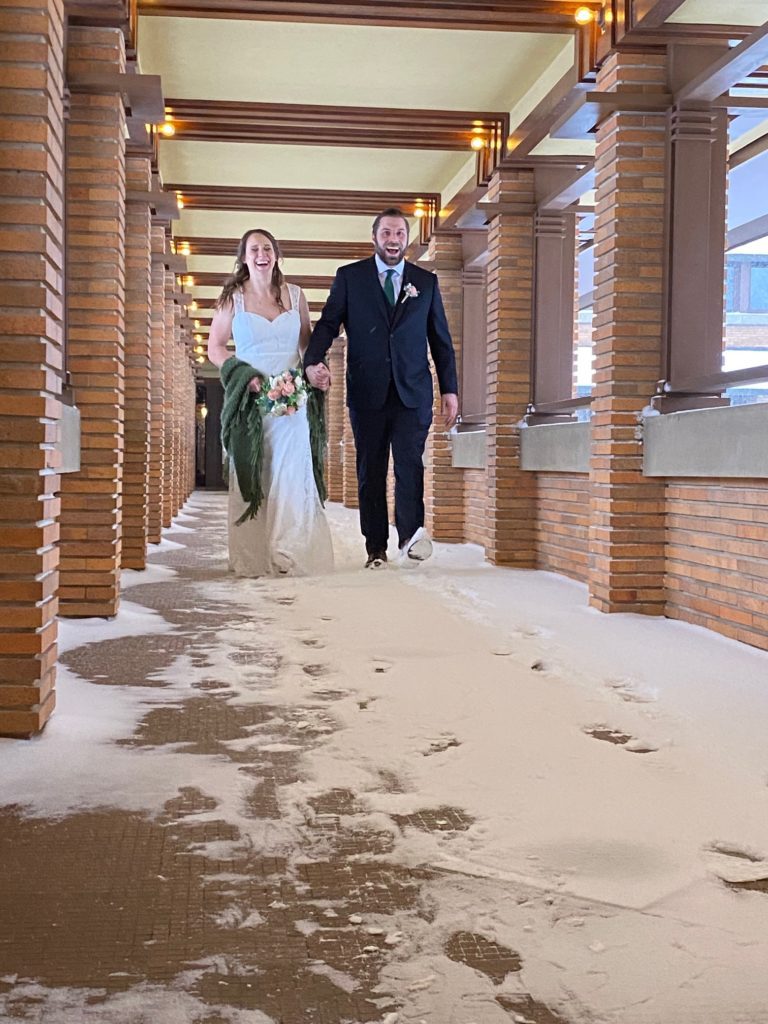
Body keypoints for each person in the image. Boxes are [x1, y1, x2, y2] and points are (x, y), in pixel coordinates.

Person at [303, 208, 458, 569]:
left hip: (413, 392)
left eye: (400, 233)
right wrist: (313, 361)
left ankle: (410, 539)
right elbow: (328, 323)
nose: (393, 239)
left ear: (407, 239)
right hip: (367, 391)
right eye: (387, 233)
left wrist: (449, 388)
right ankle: (375, 548)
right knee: (371, 469)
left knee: (409, 466)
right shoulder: (350, 278)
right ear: (375, 237)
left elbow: (441, 340)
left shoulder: (426, 282)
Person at [207, 228, 334, 577]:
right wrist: (241, 373)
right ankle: (255, 555)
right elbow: (215, 347)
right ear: (244, 258)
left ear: (276, 254)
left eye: (267, 248)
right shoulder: (232, 299)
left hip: (292, 400)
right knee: (256, 472)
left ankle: (288, 552)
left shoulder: (295, 295)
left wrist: (315, 371)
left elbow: (307, 346)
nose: (261, 254)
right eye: (253, 249)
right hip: (252, 401)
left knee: (293, 475)